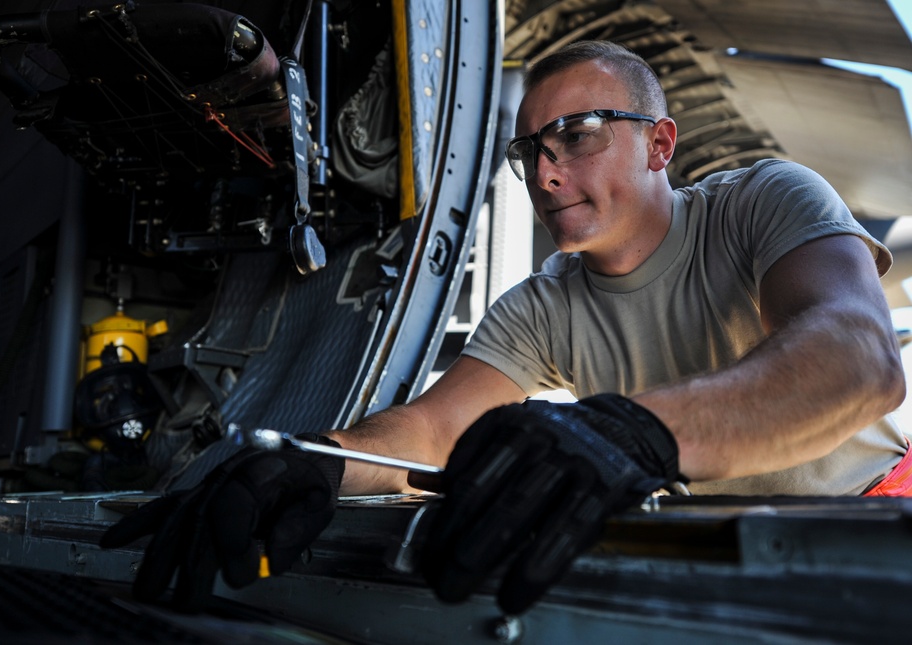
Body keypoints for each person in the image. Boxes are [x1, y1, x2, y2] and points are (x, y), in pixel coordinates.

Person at [101, 40, 909, 615]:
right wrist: (314, 461)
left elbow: (857, 357)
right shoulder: (544, 303)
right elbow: (429, 430)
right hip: (716, 552)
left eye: (579, 135)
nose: (547, 172)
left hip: (874, 524)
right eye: (530, 153)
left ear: (660, 143)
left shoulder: (762, 201)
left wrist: (630, 431)